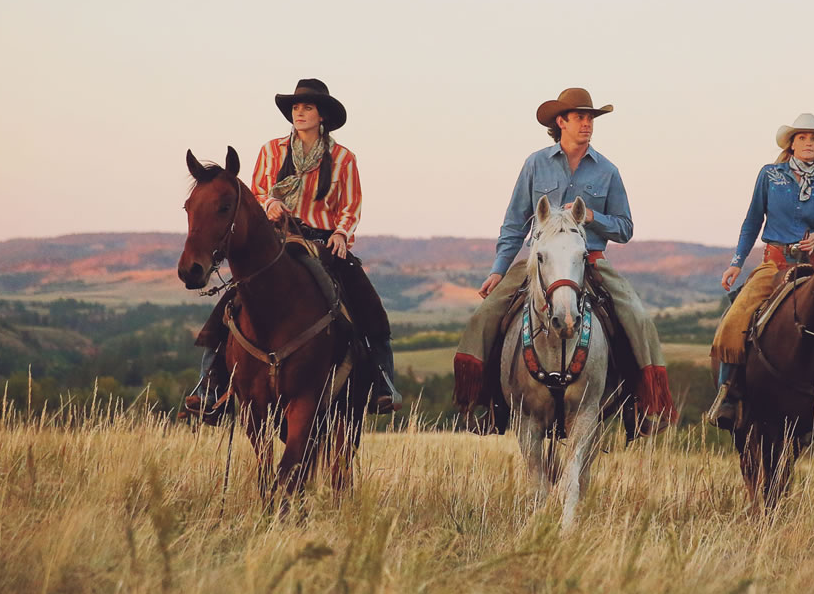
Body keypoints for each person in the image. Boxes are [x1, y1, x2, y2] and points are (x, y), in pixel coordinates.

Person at [453, 87, 676, 434]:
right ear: (562, 122)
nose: (587, 124)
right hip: (540, 263)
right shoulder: (535, 164)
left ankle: (639, 407)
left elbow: (625, 228)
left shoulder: (608, 171)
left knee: (638, 318)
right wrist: (498, 271)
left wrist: (591, 218)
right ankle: (489, 403)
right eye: (580, 118)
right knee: (486, 317)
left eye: (590, 118)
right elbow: (515, 223)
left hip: (590, 261)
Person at [185, 79, 401, 422]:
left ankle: (383, 381)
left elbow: (351, 203)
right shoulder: (271, 150)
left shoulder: (343, 158)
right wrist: (269, 202)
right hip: (275, 239)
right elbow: (255, 192)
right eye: (296, 108)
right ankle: (209, 385)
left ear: (322, 116)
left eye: (307, 108)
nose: (299, 114)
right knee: (232, 302)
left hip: (323, 240)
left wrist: (343, 234)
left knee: (367, 302)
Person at [704, 113, 814, 434]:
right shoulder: (770, 176)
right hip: (775, 262)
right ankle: (727, 395)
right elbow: (752, 221)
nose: (808, 143)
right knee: (735, 320)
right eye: (802, 138)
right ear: (790, 144)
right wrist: (736, 261)